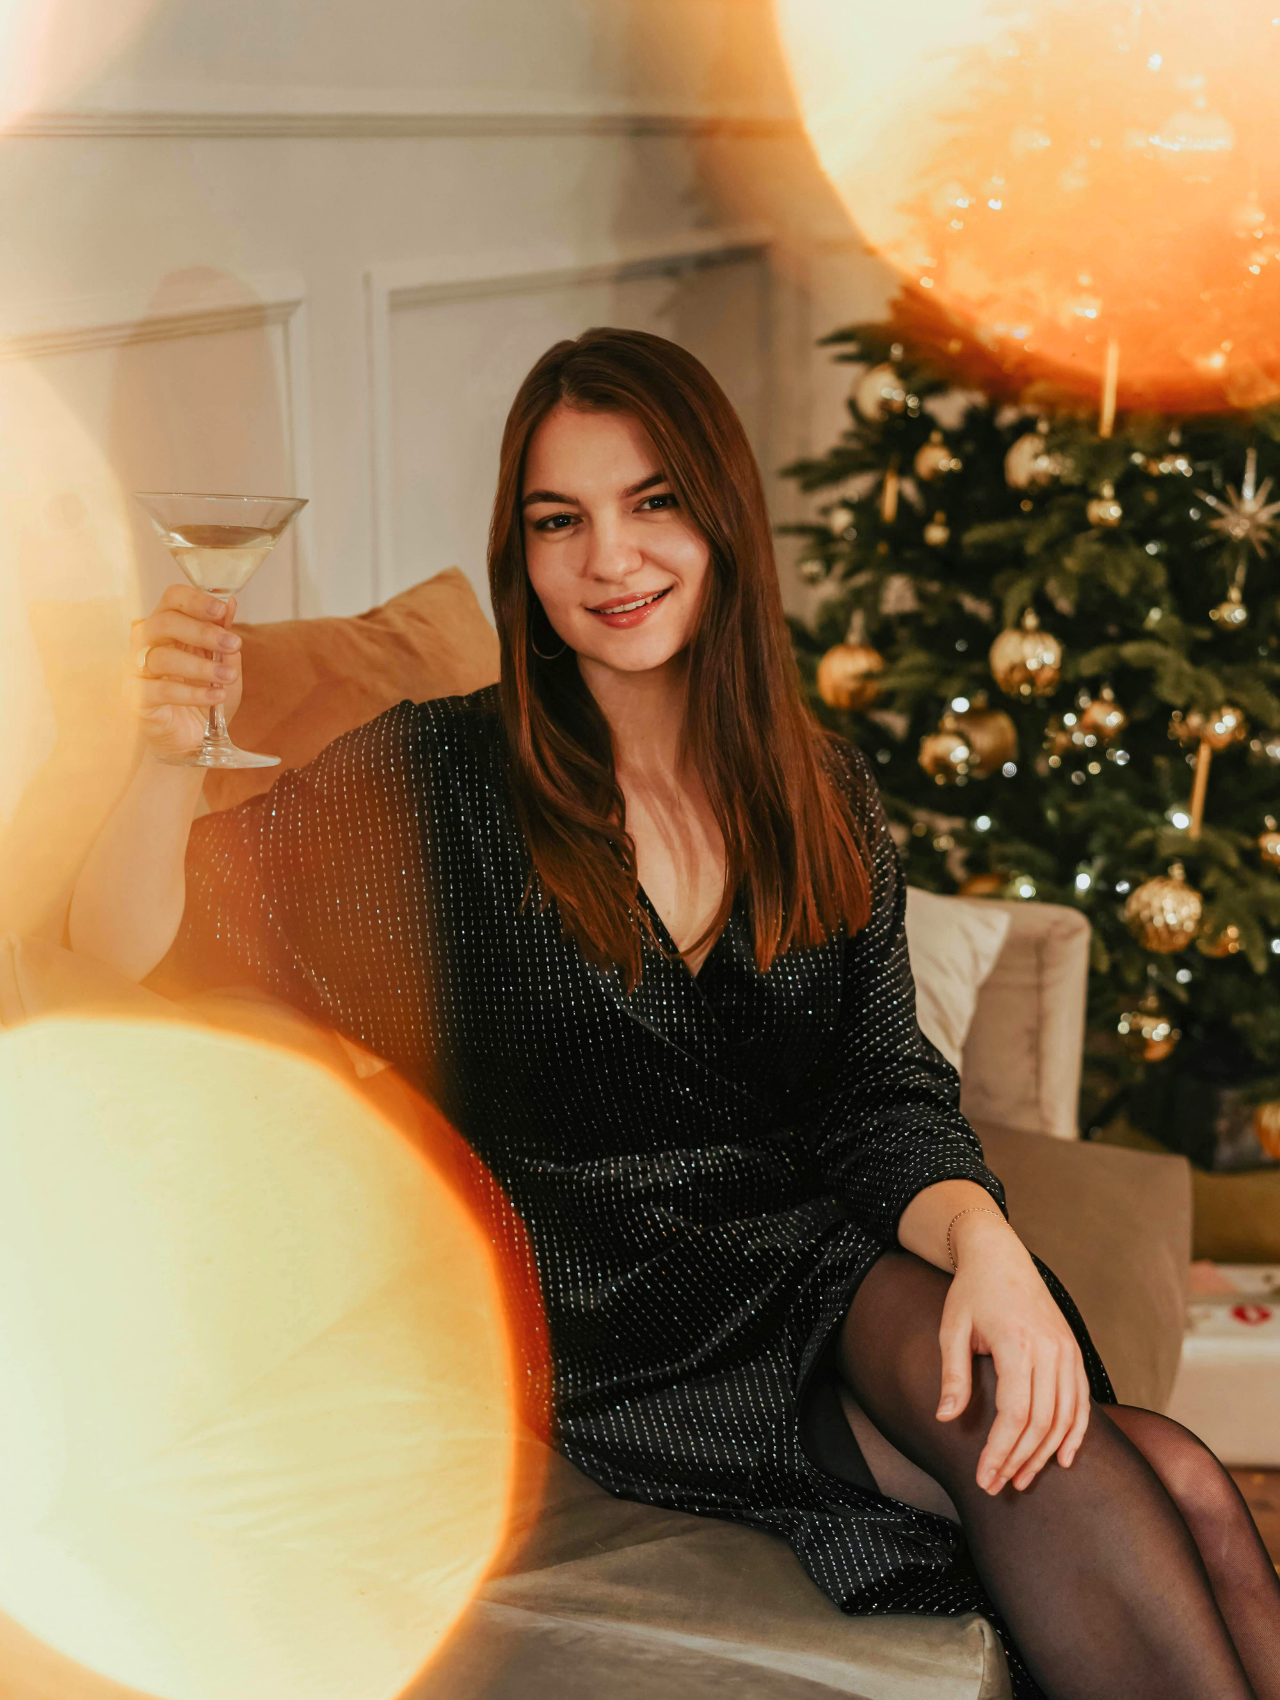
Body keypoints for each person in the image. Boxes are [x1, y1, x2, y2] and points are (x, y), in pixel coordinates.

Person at [71, 328, 1279, 1699]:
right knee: (1104, 1461)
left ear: (722, 521)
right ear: (519, 554)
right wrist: (169, 758)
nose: (610, 559)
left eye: (653, 504)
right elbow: (130, 945)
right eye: (558, 520)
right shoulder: (440, 782)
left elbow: (881, 1086)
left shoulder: (812, 784)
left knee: (1170, 1475)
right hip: (615, 1308)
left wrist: (988, 1245)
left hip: (807, 1264)